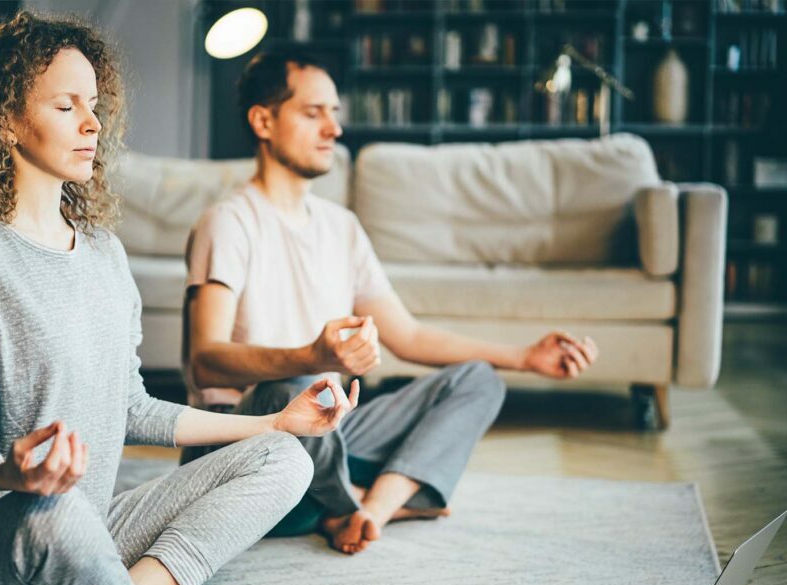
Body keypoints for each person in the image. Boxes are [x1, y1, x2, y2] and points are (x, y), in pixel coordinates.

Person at [0, 14, 360, 585]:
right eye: (66, 106)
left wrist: (274, 420)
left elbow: (134, 406)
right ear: (4, 121)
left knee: (283, 458)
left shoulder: (103, 254)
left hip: (88, 531)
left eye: (94, 105)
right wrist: (16, 475)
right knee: (48, 512)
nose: (92, 123)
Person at [183, 48, 599, 556]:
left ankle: (367, 511)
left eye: (335, 114)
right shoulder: (229, 221)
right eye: (313, 114)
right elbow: (206, 361)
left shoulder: (341, 228)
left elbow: (410, 337)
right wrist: (312, 357)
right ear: (263, 120)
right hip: (243, 441)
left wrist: (525, 358)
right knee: (302, 384)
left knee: (478, 379)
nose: (333, 129)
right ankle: (353, 502)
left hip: (325, 433)